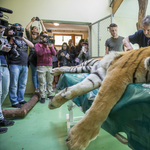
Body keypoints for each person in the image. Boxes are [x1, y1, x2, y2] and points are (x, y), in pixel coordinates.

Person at [7, 23, 34, 108]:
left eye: (20, 30)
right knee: (14, 84)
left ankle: (21, 99)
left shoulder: (24, 39)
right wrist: (12, 36)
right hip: (14, 64)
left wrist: (22, 37)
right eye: (18, 30)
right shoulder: (10, 38)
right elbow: (7, 46)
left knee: (22, 84)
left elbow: (32, 45)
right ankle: (14, 101)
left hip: (24, 64)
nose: (20, 31)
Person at [25, 17, 46, 92]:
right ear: (32, 30)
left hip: (40, 57)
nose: (37, 29)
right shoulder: (30, 37)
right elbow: (26, 29)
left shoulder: (40, 37)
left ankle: (42, 88)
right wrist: (32, 21)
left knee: (40, 74)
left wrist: (41, 23)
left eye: (37, 28)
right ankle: (36, 88)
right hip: (32, 58)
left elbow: (45, 32)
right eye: (35, 28)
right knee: (34, 74)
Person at [35, 31, 56, 103]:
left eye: (46, 37)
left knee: (50, 82)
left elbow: (54, 53)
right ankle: (42, 96)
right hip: (41, 66)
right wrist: (44, 45)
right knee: (42, 82)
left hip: (49, 65)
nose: (45, 38)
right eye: (44, 37)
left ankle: (49, 94)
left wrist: (51, 47)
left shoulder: (49, 44)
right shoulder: (37, 45)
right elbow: (40, 53)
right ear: (41, 37)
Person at [0, 26, 15, 133]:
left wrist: (7, 48)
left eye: (3, 28)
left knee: (4, 91)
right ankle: (0, 118)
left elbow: (5, 52)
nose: (2, 30)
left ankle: (0, 116)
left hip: (4, 64)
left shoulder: (4, 39)